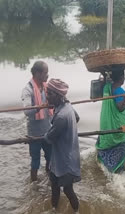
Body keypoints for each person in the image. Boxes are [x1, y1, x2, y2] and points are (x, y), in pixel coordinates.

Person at [44, 78, 81, 213]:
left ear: (59, 96)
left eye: (50, 94)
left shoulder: (61, 116)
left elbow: (49, 137)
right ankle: (54, 209)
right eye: (46, 93)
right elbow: (77, 118)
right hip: (61, 155)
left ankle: (76, 211)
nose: (47, 97)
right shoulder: (66, 106)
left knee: (67, 189)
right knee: (54, 184)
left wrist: (38, 138)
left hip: (65, 159)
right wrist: (69, 132)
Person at [96, 69, 125, 173]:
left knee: (105, 146)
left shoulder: (106, 87)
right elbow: (120, 107)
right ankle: (119, 173)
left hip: (106, 126)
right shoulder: (119, 91)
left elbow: (105, 80)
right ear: (122, 78)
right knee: (120, 167)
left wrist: (104, 72)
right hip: (116, 126)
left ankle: (107, 171)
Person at [21, 61, 52, 182]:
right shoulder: (27, 90)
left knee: (50, 158)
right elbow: (27, 111)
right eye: (45, 73)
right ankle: (34, 185)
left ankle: (50, 180)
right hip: (34, 134)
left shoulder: (46, 87)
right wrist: (41, 106)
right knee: (35, 162)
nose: (47, 75)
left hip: (47, 131)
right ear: (38, 73)